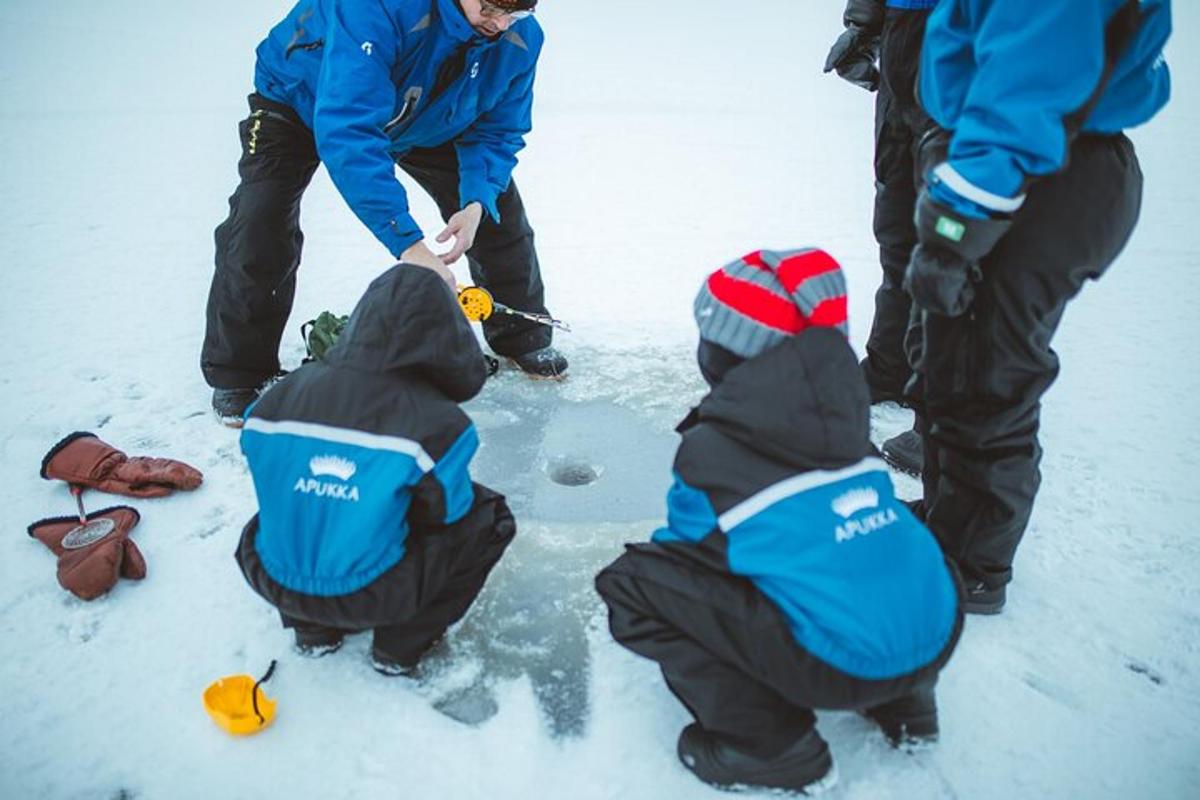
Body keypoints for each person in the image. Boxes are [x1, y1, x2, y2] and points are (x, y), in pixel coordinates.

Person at [595, 250, 963, 794]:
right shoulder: (848, 425)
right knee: (874, 545)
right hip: (936, 623)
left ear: (726, 360)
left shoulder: (715, 454)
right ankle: (906, 704)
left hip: (840, 663)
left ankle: (770, 748)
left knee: (637, 587)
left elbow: (691, 556)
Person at [902, 0, 1171, 613]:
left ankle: (971, 564)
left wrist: (953, 233)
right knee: (955, 355)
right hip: (1018, 162)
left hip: (1032, 172)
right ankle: (946, 521)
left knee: (988, 369)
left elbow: (1023, 97)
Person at [202, 0, 566, 426]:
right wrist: (409, 245)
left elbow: (497, 129)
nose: (501, 24)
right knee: (260, 221)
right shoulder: (375, 7)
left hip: (426, 116)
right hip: (303, 96)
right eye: (489, 7)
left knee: (498, 213)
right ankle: (240, 375)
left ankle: (521, 334)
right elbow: (349, 130)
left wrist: (475, 202)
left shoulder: (521, 37)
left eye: (517, 12)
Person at [235, 264, 515, 675]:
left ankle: (313, 632)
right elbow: (446, 515)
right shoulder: (439, 425)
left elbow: (273, 475)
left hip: (270, 574)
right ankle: (399, 648)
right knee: (488, 517)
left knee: (297, 506)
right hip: (374, 594)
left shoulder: (275, 399)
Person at [824, 0, 939, 477]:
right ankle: (889, 368)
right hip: (903, 42)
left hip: (969, 41)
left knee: (950, 246)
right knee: (897, 228)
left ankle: (941, 421)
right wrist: (864, 22)